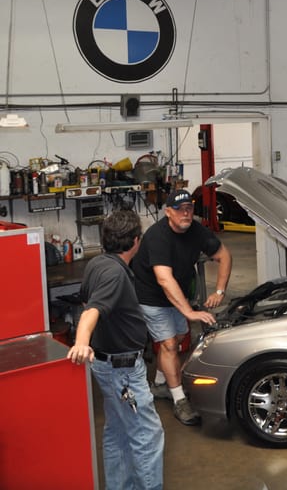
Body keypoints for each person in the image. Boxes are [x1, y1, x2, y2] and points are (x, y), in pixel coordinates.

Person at [67, 209, 164, 490]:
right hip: (122, 371)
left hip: (108, 366)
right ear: (135, 241)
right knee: (147, 435)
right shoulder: (114, 274)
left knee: (119, 433)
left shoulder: (97, 263)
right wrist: (82, 342)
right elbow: (91, 311)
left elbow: (85, 301)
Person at [132, 189, 231, 426]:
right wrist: (188, 311)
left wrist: (219, 291)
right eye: (179, 209)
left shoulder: (196, 230)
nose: (185, 213)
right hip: (150, 295)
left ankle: (159, 383)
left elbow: (224, 255)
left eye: (189, 208)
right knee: (168, 344)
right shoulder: (158, 237)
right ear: (168, 212)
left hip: (177, 294)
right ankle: (179, 400)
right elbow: (164, 279)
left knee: (176, 339)